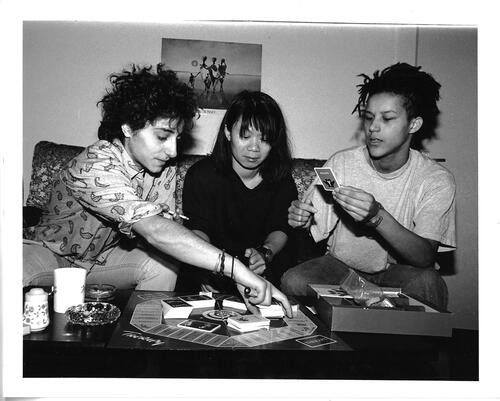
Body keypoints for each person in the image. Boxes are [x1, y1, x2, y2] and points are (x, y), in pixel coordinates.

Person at [23, 64, 292, 316]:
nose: (173, 151)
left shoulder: (163, 169)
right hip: (51, 254)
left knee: (161, 266)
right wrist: (239, 272)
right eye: (162, 137)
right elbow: (154, 230)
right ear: (128, 126)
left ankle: (140, 342)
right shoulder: (95, 163)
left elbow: (169, 233)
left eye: (177, 138)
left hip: (100, 261)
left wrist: (219, 274)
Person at [282, 62, 456, 310]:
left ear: (414, 125)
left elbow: (425, 256)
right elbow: (310, 233)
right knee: (295, 280)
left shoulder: (435, 179)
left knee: (428, 284)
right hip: (341, 270)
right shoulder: (341, 163)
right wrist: (301, 220)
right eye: (369, 117)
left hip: (401, 272)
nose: (373, 127)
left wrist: (377, 217)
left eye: (387, 118)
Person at [181, 90, 298, 292]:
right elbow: (197, 229)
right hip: (210, 267)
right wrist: (210, 266)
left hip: (264, 272)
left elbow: (280, 228)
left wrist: (265, 253)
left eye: (265, 139)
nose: (254, 148)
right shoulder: (202, 175)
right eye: (245, 136)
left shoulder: (281, 179)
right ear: (228, 132)